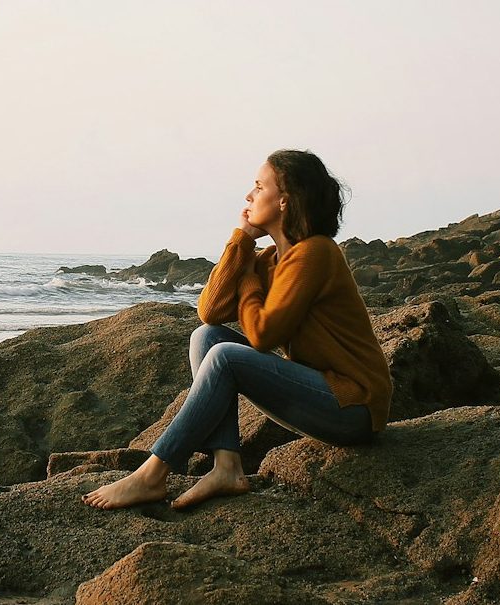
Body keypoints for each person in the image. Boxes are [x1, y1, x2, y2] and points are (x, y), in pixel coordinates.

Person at [82, 149, 393, 511]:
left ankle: (153, 474)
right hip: (319, 390)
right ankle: (227, 465)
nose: (249, 196)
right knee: (207, 337)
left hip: (354, 406)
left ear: (284, 201)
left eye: (259, 186)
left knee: (226, 357)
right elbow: (209, 312)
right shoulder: (269, 260)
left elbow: (262, 335)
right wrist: (242, 241)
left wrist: (247, 281)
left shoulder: (316, 253)